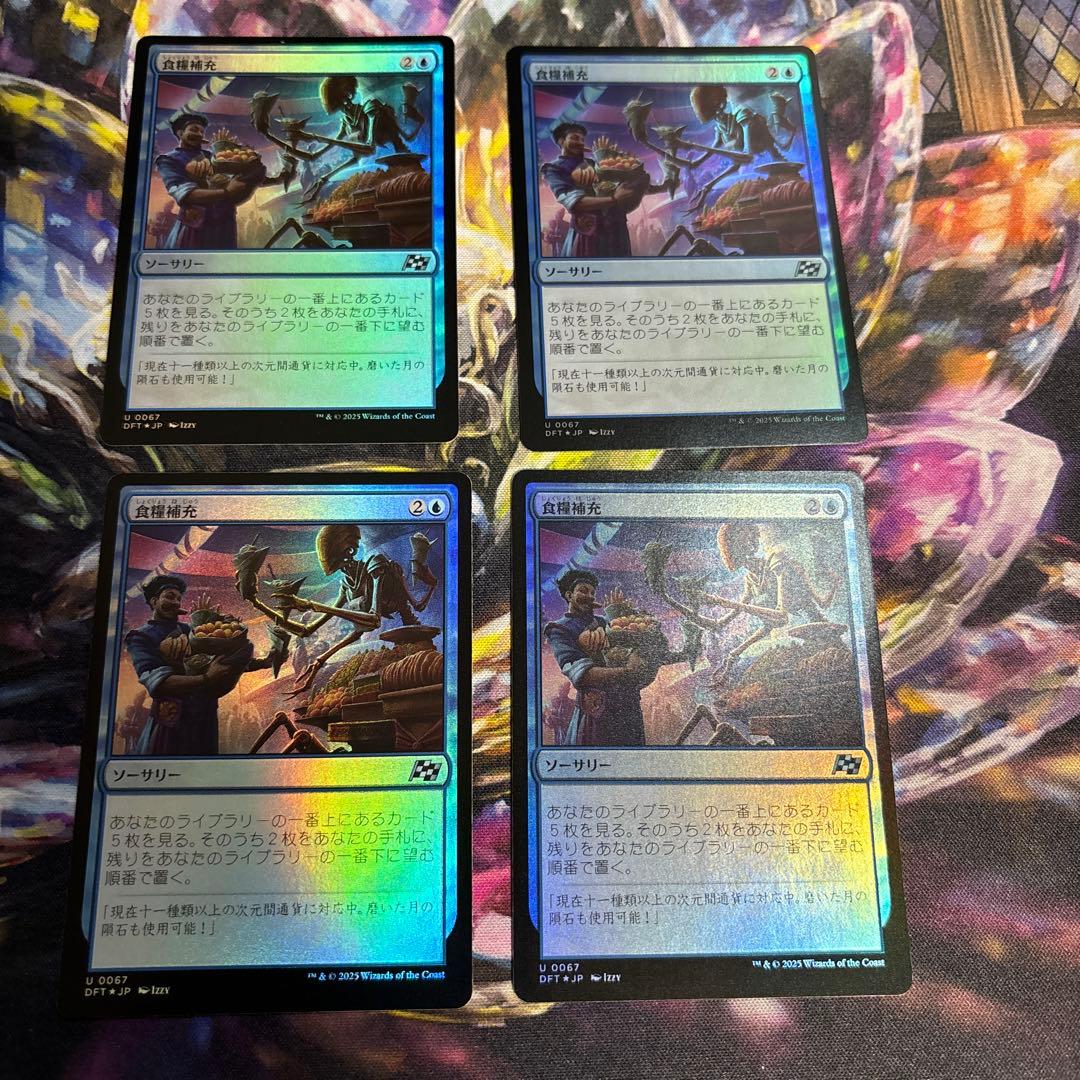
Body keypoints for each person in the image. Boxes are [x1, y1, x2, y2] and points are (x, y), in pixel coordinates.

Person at [124, 575, 267, 755]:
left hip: (205, 719)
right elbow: (158, 683)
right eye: (169, 596)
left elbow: (222, 662)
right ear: (154, 601)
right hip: (171, 725)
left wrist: (264, 663)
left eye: (178, 598)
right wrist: (207, 678)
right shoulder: (140, 637)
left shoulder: (191, 631)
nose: (175, 602)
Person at [542, 569, 652, 746]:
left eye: (592, 592)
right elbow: (581, 674)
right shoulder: (559, 629)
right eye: (583, 591)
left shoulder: (604, 621)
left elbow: (632, 641)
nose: (590, 596)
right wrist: (628, 671)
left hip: (629, 708)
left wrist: (620, 613)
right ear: (569, 595)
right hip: (597, 714)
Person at [154, 111, 264, 249]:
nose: (199, 134)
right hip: (196, 228)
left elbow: (239, 176)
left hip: (225, 224)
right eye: (194, 130)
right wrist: (227, 192)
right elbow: (187, 195)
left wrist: (230, 151)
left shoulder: (214, 156)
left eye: (201, 131)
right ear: (180, 133)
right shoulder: (168, 160)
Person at [539, 121, 638, 257]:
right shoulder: (553, 168)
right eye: (574, 138)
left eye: (582, 139)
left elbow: (615, 181)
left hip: (616, 228)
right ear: (561, 141)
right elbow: (575, 202)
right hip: (589, 233)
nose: (580, 142)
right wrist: (614, 199)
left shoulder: (593, 163)